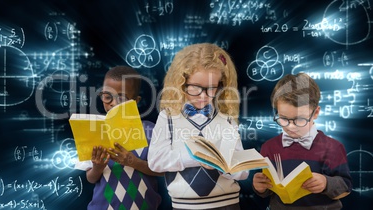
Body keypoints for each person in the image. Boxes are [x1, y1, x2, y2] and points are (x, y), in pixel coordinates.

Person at [148, 43, 249, 210]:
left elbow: (243, 172)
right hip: (184, 206)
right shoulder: (168, 116)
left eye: (211, 88)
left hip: (228, 205)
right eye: (195, 88)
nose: (203, 96)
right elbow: (156, 161)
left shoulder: (227, 117)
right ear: (181, 83)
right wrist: (196, 157)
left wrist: (222, 165)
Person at [252, 73, 352, 209]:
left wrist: (326, 182)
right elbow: (269, 190)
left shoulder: (332, 147)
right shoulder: (268, 147)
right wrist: (260, 187)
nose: (290, 126)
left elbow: (345, 188)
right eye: (283, 118)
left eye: (300, 119)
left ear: (315, 113)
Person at [74, 66, 162, 210]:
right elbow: (90, 178)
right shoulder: (93, 129)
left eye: (121, 98)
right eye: (107, 97)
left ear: (136, 100)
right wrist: (97, 167)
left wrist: (133, 162)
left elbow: (162, 171)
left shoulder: (150, 130)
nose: (113, 103)